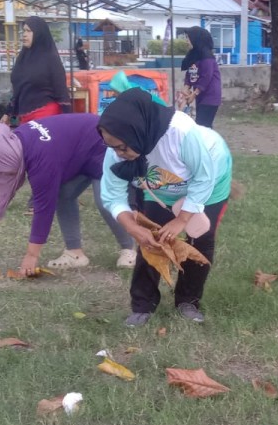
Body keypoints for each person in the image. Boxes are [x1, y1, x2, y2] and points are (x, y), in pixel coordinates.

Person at [98, 88, 233, 326]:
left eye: (121, 147)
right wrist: (134, 229)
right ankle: (142, 305)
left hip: (210, 177)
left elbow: (203, 178)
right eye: (113, 147)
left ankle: (188, 301)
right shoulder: (117, 153)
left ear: (137, 132)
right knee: (152, 240)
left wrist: (181, 220)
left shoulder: (181, 133)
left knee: (198, 237)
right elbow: (112, 196)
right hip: (161, 184)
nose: (118, 153)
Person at [0, 114, 135, 274]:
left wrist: (32, 255)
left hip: (103, 144)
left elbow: (44, 209)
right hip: (79, 152)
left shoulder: (41, 160)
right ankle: (75, 253)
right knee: (64, 195)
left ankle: (130, 249)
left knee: (106, 200)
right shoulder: (17, 138)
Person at [6, 16, 70, 125]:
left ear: (39, 34)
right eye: (24, 31)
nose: (24, 34)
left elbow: (61, 90)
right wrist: (8, 113)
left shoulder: (50, 58)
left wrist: (68, 120)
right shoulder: (23, 59)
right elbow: (19, 88)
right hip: (25, 116)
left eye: (29, 31)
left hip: (46, 114)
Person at [180, 26, 222, 128]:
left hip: (210, 97)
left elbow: (206, 77)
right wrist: (186, 87)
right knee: (203, 125)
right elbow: (191, 73)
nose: (186, 41)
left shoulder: (207, 57)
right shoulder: (194, 55)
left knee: (202, 126)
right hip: (201, 96)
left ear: (196, 39)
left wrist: (194, 94)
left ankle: (208, 143)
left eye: (188, 38)